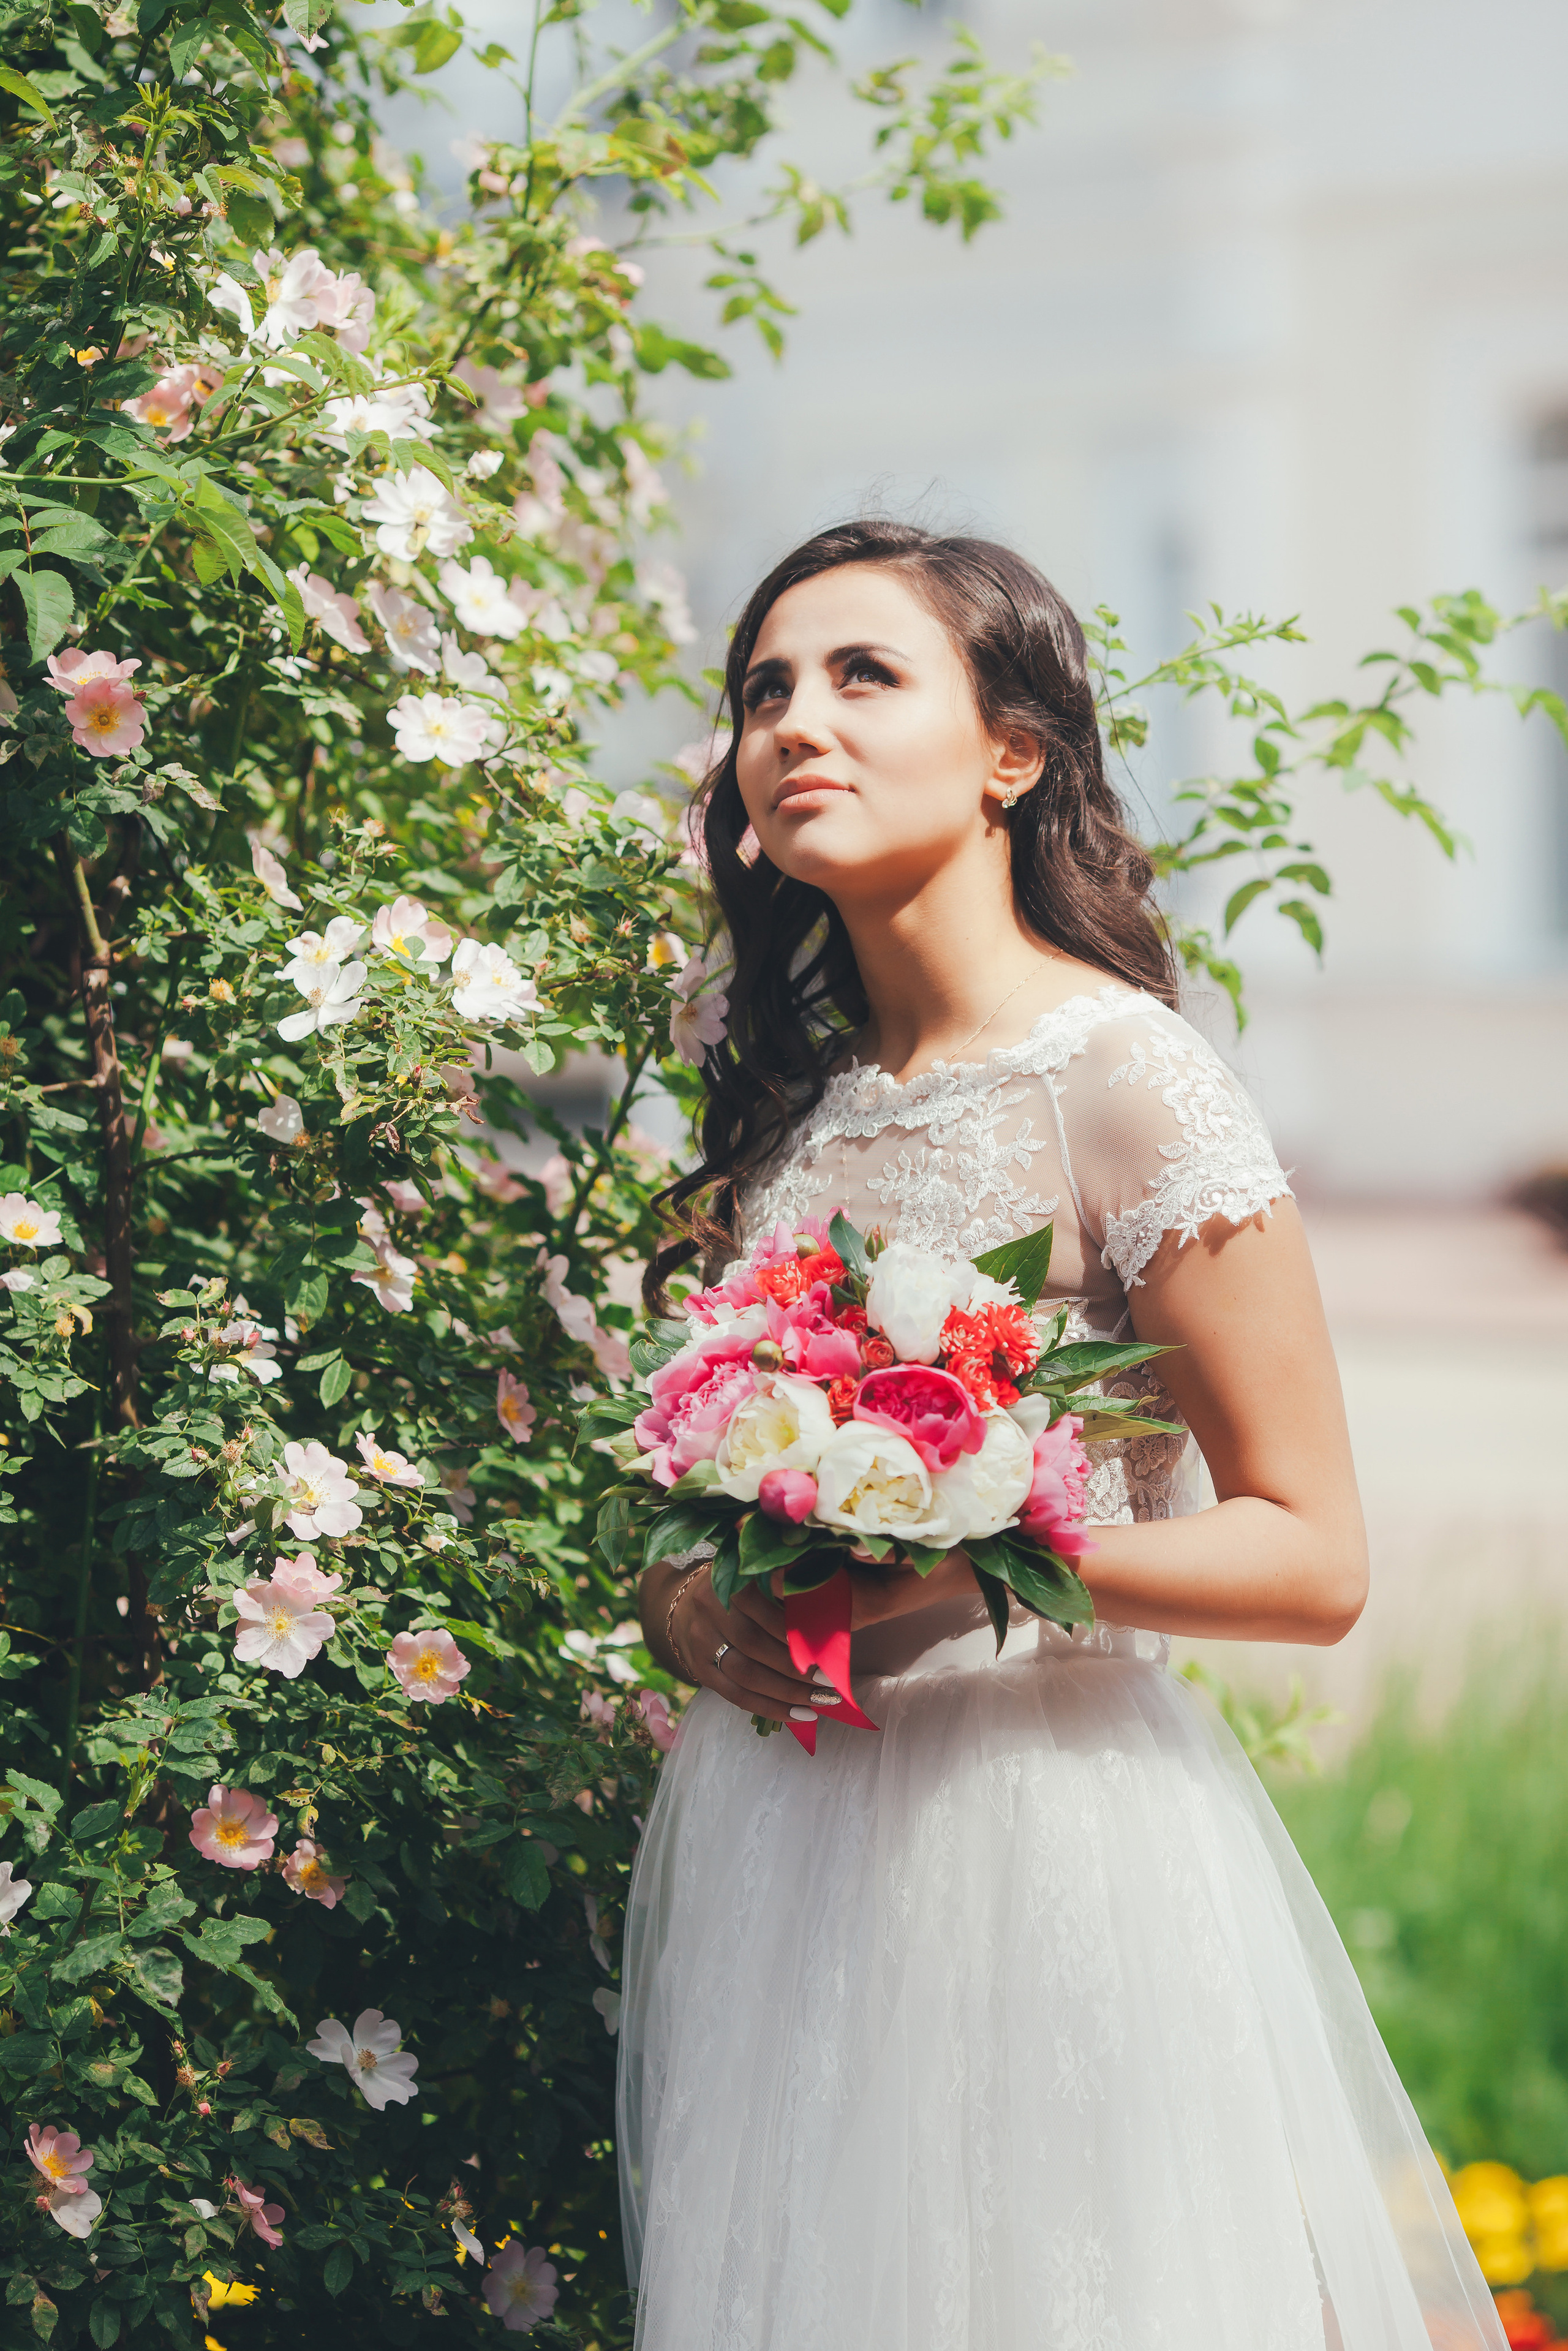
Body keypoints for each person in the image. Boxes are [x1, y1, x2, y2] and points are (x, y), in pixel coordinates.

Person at [619, 519, 1504, 2350]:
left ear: (1012, 752)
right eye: (767, 688)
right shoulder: (799, 1124)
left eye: (866, 675)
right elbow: (733, 1516)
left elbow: (1311, 1551)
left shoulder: (1128, 1082)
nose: (798, 722)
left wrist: (961, 1566)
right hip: (789, 1856)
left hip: (1030, 1851)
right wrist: (688, 1604)